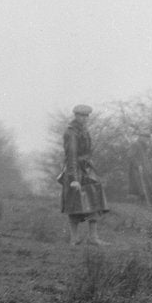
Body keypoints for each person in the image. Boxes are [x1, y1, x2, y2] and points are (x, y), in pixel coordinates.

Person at [59, 104, 109, 245]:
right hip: (75, 171)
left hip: (86, 170)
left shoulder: (84, 130)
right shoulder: (71, 132)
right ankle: (74, 238)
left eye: (87, 116)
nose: (85, 118)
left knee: (94, 201)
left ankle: (93, 238)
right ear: (75, 116)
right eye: (82, 115)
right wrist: (74, 179)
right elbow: (71, 156)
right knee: (74, 204)